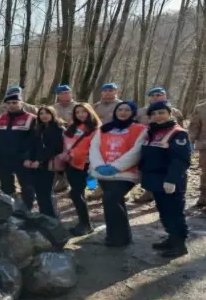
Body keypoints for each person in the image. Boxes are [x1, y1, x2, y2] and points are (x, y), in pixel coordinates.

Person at [89, 101, 148, 247]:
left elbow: (136, 151)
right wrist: (98, 165)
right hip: (103, 172)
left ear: (133, 113)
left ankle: (119, 239)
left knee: (111, 200)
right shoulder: (104, 128)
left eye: (127, 110)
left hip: (125, 174)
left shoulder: (140, 129)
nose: (123, 112)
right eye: (120, 109)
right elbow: (94, 147)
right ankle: (117, 236)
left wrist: (116, 167)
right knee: (114, 203)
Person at [137, 102, 192, 257]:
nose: (157, 116)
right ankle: (171, 238)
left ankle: (179, 244)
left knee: (174, 212)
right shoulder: (151, 131)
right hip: (155, 179)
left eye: (161, 112)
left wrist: (172, 179)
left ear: (169, 113)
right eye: (153, 114)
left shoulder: (177, 133)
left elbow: (180, 160)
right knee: (164, 211)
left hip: (170, 179)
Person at [62, 103, 100, 236]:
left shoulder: (97, 129)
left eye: (83, 111)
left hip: (86, 165)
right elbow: (66, 143)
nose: (80, 114)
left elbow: (98, 148)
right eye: (77, 112)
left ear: (90, 112)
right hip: (71, 164)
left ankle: (86, 224)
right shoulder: (72, 127)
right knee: (78, 194)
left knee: (75, 193)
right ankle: (83, 222)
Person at [0, 93, 37, 210]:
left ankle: (27, 210)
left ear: (21, 103)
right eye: (8, 103)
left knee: (27, 186)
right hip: (4, 159)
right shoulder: (0, 118)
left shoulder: (32, 118)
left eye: (14, 102)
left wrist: (28, 157)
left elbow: (35, 140)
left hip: (23, 159)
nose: (11, 105)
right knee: (6, 186)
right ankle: (10, 210)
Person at [26, 106, 64, 218]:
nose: (44, 116)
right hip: (36, 165)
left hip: (50, 163)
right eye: (41, 113)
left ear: (53, 114)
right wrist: (29, 159)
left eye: (47, 113)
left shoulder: (58, 129)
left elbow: (55, 148)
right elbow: (33, 146)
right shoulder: (38, 129)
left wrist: (40, 160)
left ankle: (52, 216)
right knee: (39, 191)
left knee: (47, 191)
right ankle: (43, 214)